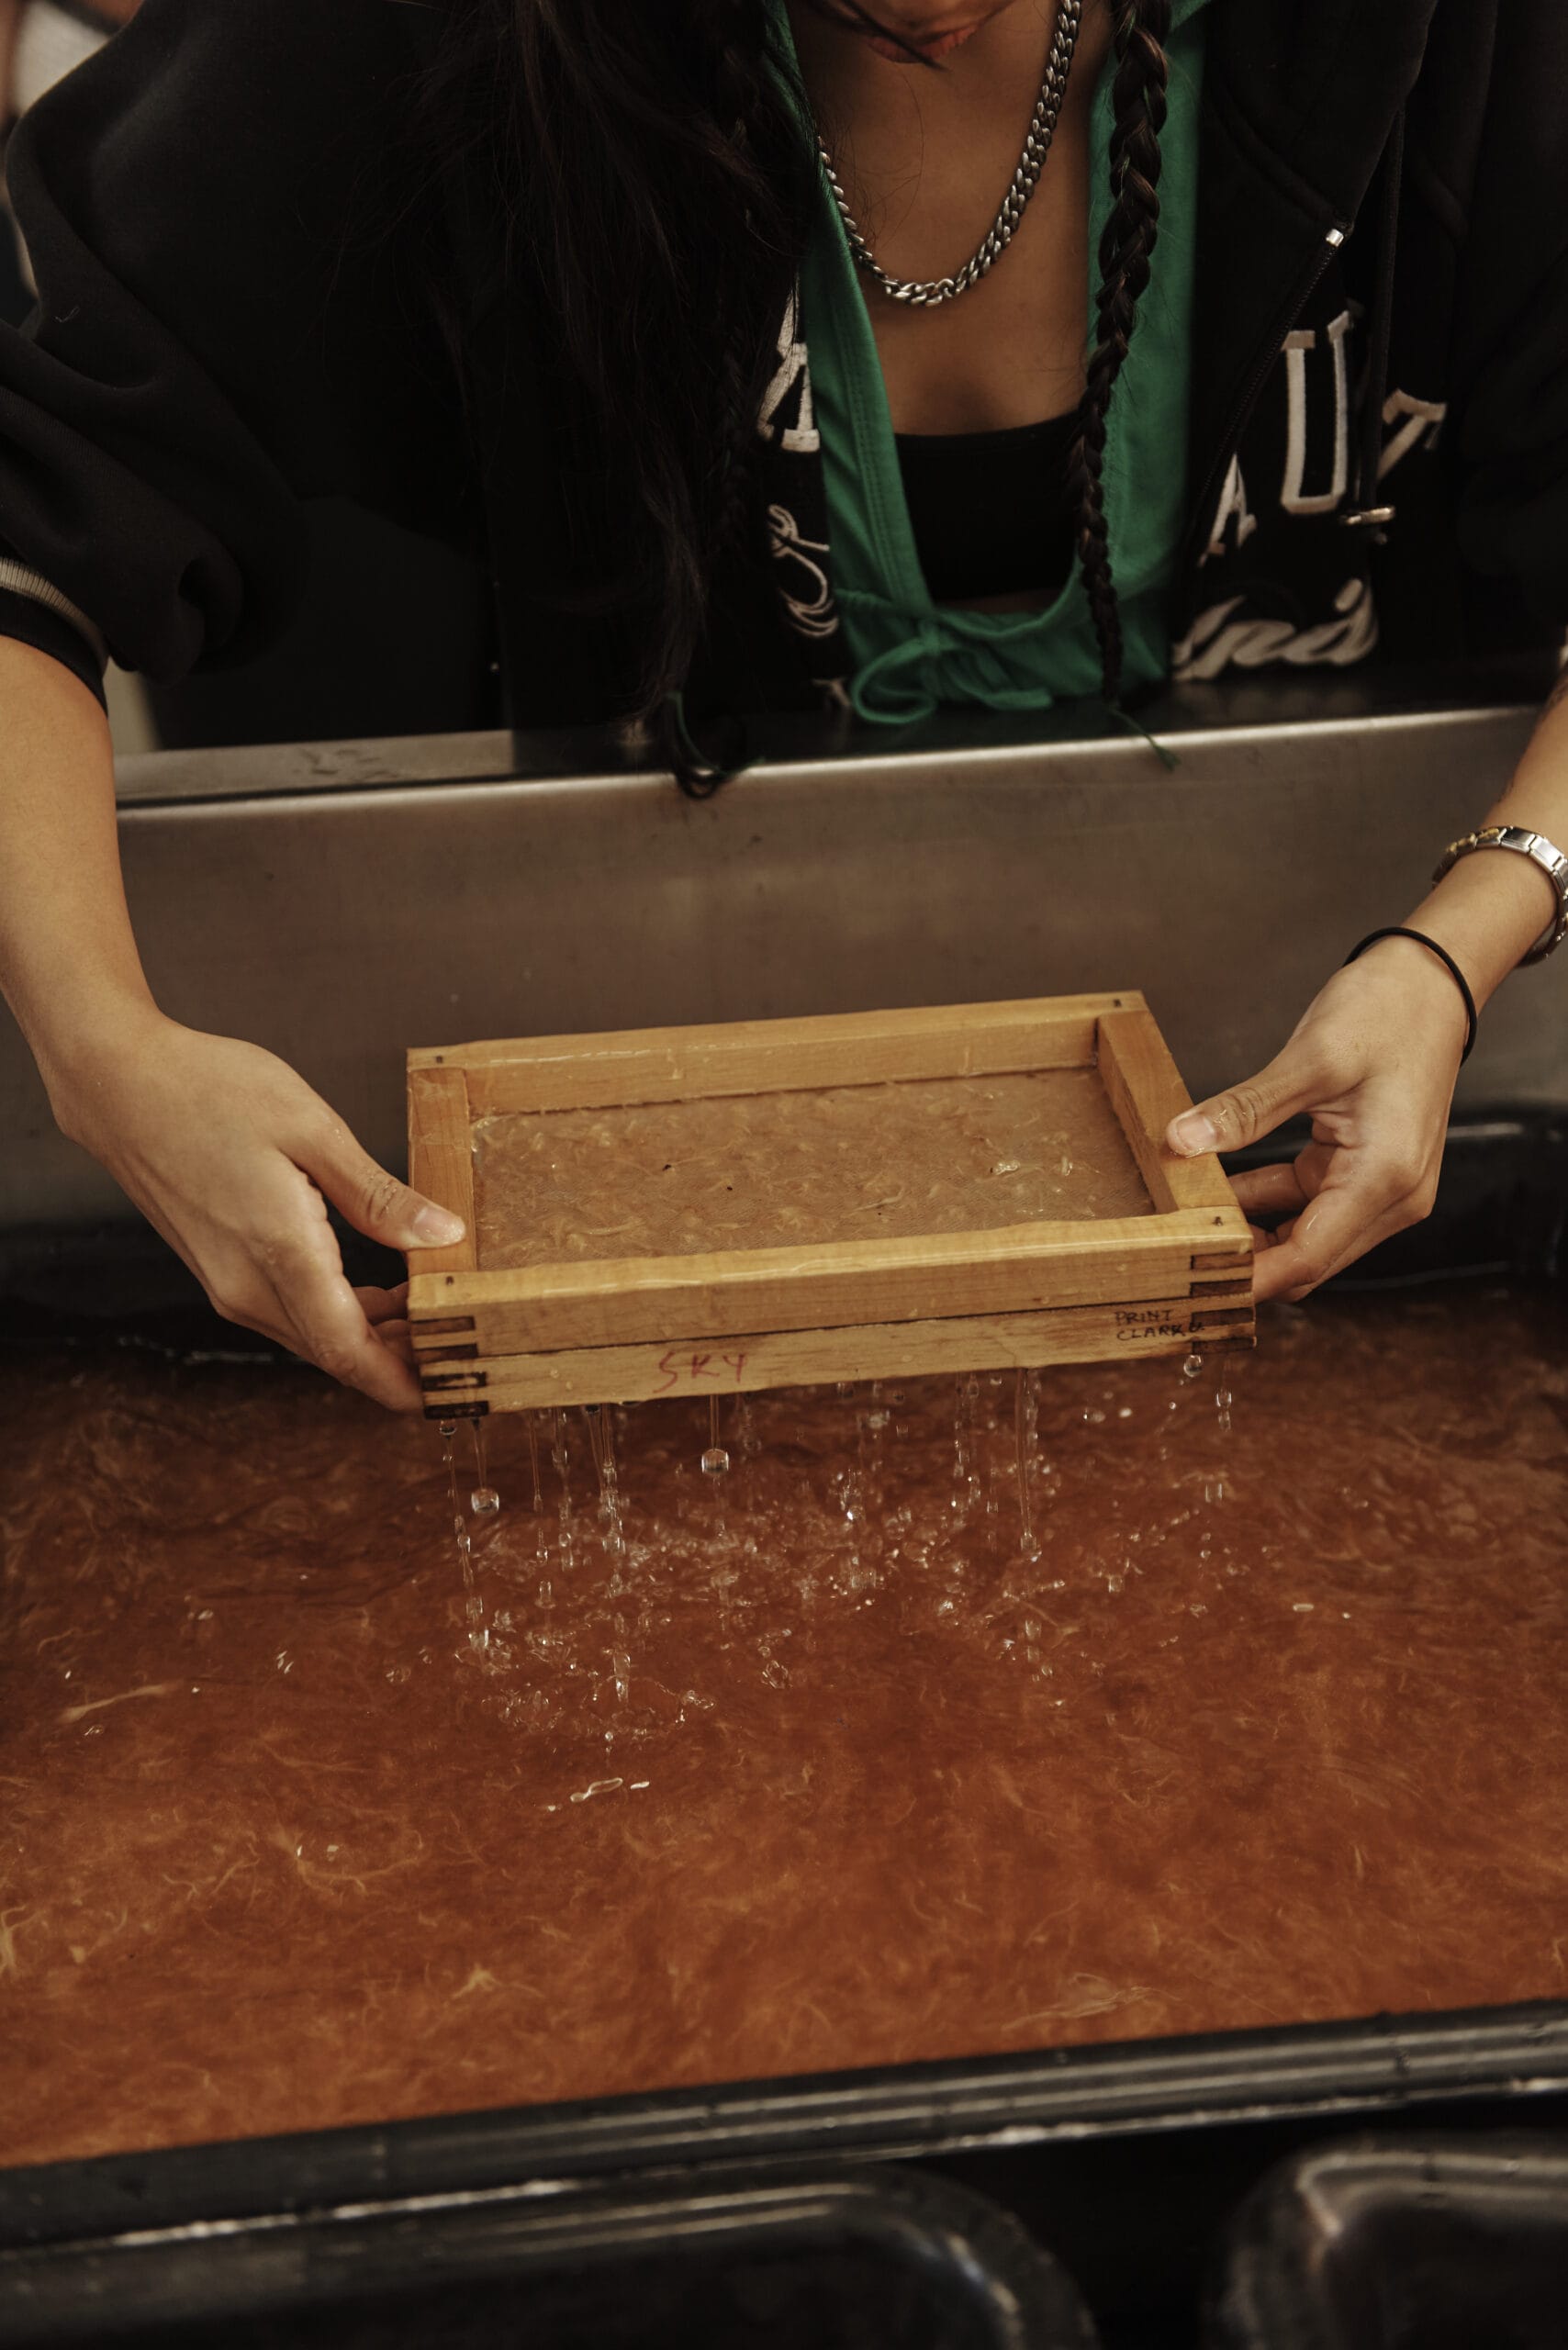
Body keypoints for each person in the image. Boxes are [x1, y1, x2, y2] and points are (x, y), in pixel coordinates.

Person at [0, 0, 1564, 1415]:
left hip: (1332, 1103)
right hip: (650, 1134)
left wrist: (1465, 940)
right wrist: (102, 1055)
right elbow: (36, 486)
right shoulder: (453, 35)